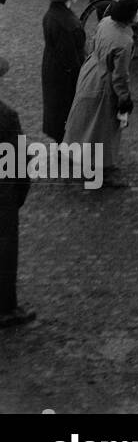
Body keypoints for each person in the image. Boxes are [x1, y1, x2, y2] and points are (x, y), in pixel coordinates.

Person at [64, 0, 138, 188]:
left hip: (91, 71)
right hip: (105, 83)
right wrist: (124, 99)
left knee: (83, 118)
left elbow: (93, 43)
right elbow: (120, 76)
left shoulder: (105, 22)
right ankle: (100, 169)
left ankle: (75, 154)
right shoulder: (125, 41)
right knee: (102, 127)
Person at [0, 55, 35, 328]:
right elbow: (18, 164)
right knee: (5, 250)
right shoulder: (6, 116)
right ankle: (6, 308)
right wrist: (17, 195)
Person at [41, 0, 86, 143]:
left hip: (51, 65)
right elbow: (71, 58)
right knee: (66, 108)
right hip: (65, 74)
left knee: (55, 107)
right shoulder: (69, 24)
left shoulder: (51, 14)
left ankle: (61, 141)